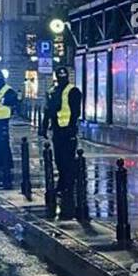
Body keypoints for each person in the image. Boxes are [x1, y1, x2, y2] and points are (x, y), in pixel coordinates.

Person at [39, 65, 83, 219]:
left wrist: (71, 128)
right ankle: (64, 183)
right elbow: (48, 110)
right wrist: (44, 127)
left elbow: (75, 111)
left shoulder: (73, 91)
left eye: (64, 75)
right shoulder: (53, 91)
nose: (62, 77)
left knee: (68, 160)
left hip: (67, 131)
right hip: (57, 131)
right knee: (59, 160)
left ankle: (67, 186)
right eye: (60, 75)